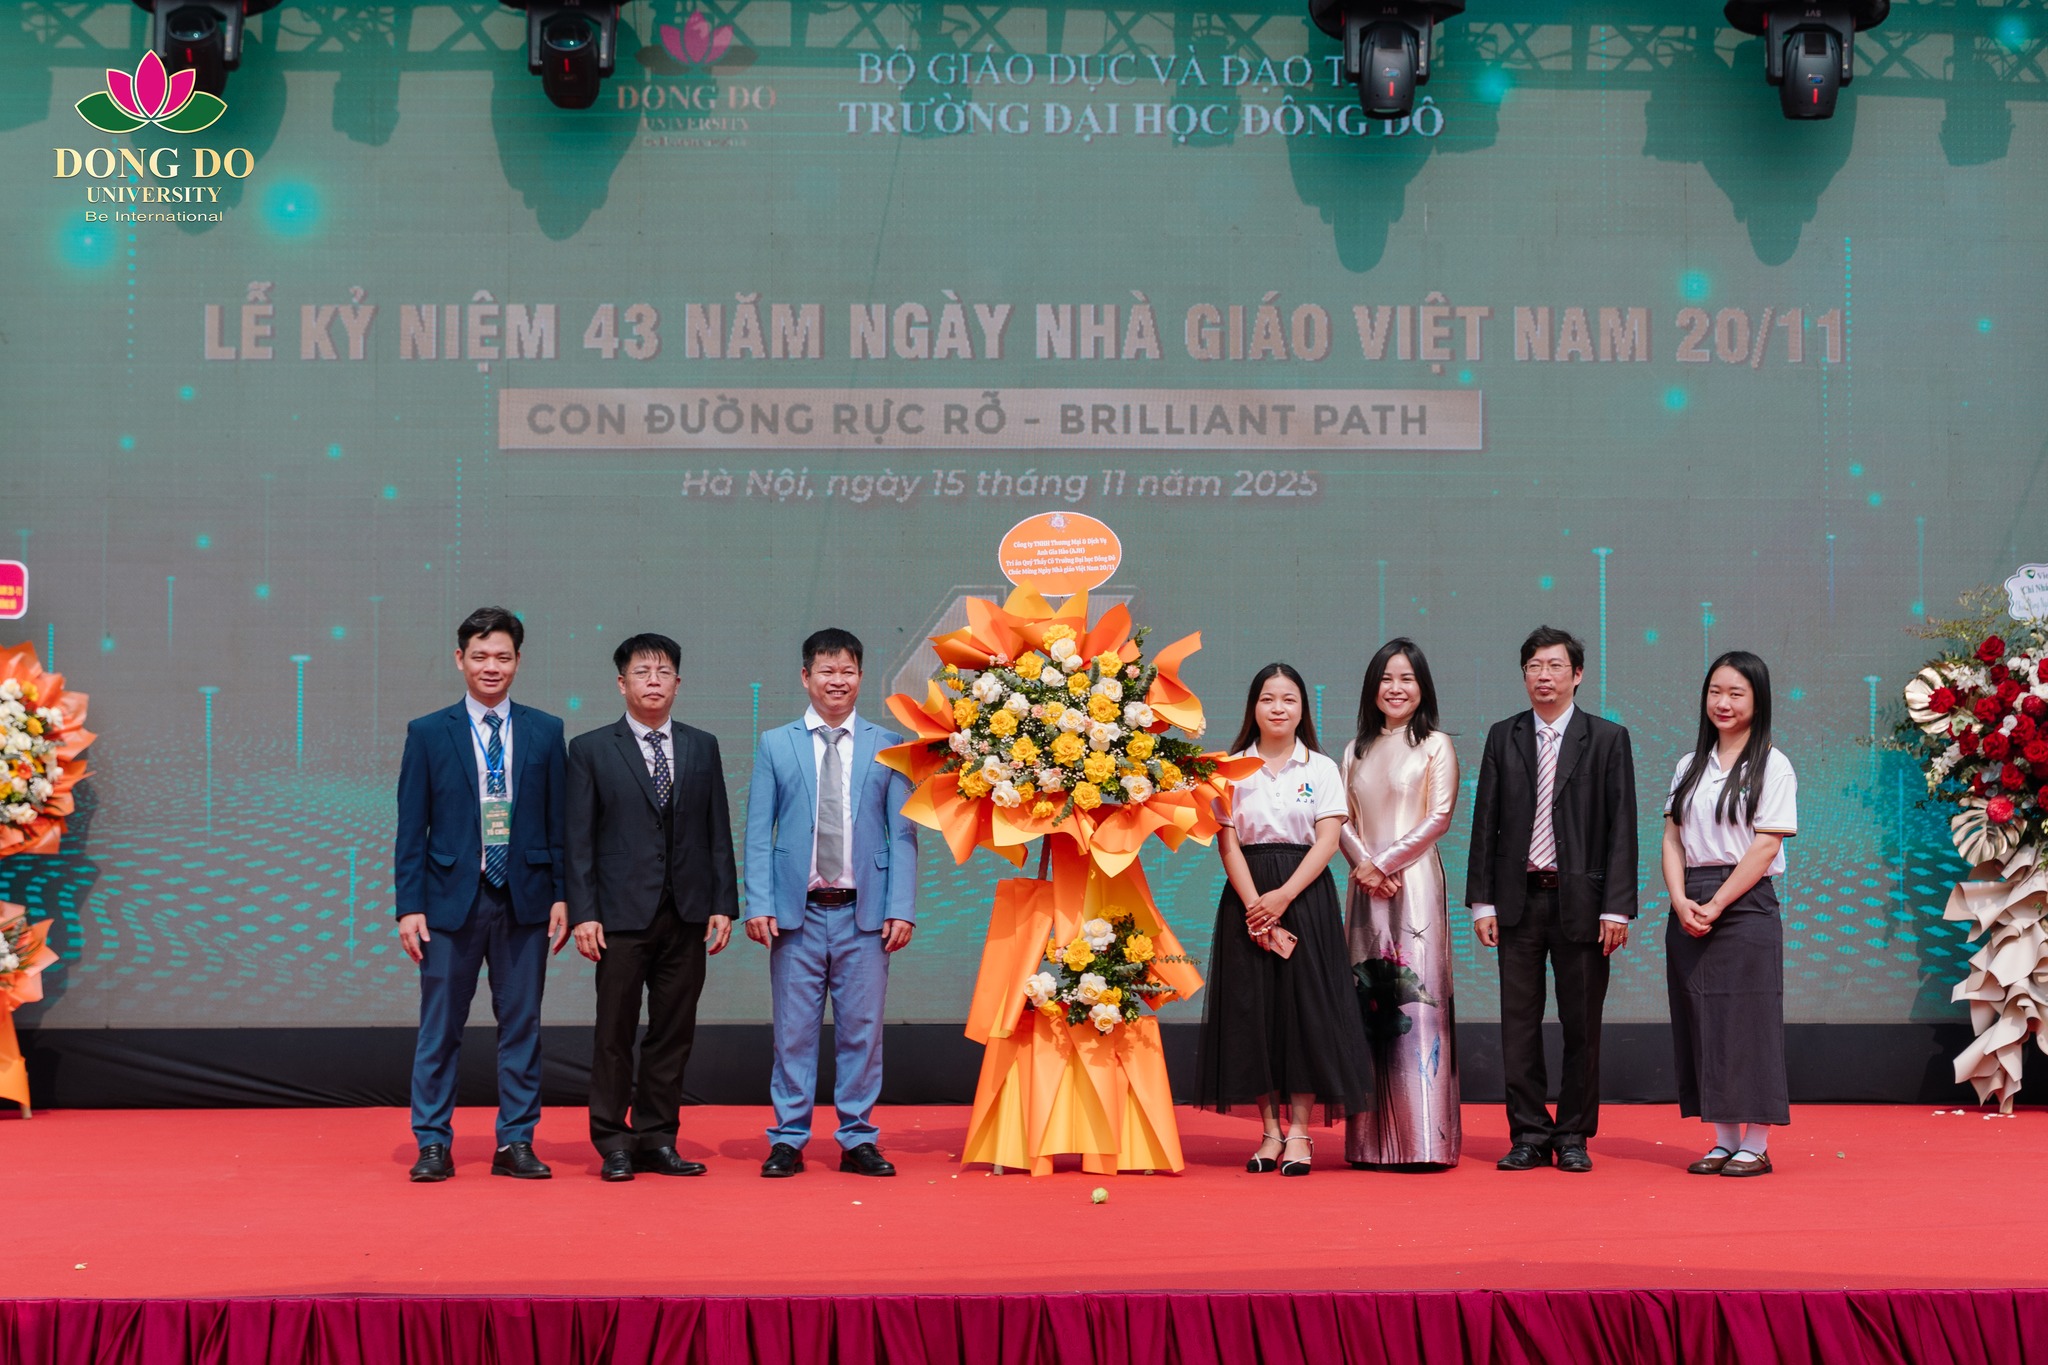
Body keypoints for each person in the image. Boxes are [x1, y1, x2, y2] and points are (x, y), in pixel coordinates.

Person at [393, 606, 569, 1182]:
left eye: (503, 656)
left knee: (522, 1027)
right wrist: (409, 906)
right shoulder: (427, 732)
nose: (491, 666)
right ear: (460, 659)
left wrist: (562, 894)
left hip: (525, 900)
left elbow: (559, 822)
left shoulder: (546, 731)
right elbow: (411, 828)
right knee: (439, 1028)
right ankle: (432, 1143)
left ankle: (515, 1141)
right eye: (480, 655)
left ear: (518, 661)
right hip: (449, 903)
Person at [743, 628, 918, 1178]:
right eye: (826, 670)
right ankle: (788, 1139)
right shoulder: (776, 743)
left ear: (860, 677)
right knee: (793, 1034)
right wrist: (758, 903)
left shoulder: (888, 745)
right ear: (806, 677)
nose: (836, 681)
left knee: (861, 1034)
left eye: (847, 671)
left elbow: (903, 834)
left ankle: (858, 1139)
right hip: (796, 916)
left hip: (864, 917)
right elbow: (758, 831)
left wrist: (901, 907)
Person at [566, 633, 738, 1182]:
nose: (654, 681)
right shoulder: (591, 748)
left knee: (673, 1032)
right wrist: (584, 912)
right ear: (622, 683)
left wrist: (723, 902)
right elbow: (578, 840)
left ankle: (658, 1138)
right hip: (619, 916)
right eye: (642, 672)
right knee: (614, 1033)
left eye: (663, 672)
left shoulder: (701, 745)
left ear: (678, 684)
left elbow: (717, 829)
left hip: (687, 913)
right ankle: (613, 1142)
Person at [1467, 625, 1637, 1174]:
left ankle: (1573, 1136)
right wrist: (1483, 903)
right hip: (1517, 904)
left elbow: (1622, 828)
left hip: (1583, 905)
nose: (1544, 676)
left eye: (1555, 666)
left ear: (1577, 674)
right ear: (1524, 676)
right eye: (1534, 667)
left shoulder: (1607, 738)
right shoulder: (1504, 736)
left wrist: (1616, 907)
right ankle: (1528, 1134)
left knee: (1582, 1026)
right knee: (1518, 1027)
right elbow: (1485, 822)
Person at [1195, 663, 1371, 1177]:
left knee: (1305, 1013)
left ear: (1302, 709)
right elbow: (1228, 844)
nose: (1278, 708)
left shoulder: (1321, 768)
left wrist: (1283, 897)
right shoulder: (1229, 769)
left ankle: (1299, 1132)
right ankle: (1270, 1132)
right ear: (1253, 707)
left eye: (1288, 699)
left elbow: (1328, 841)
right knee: (1255, 1013)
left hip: (1305, 897)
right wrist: (1256, 906)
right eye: (1268, 699)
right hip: (1246, 897)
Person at [1662, 651, 1796, 1178]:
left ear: (1757, 700)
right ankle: (1722, 1140)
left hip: (1744, 900)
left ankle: (1756, 1144)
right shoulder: (1689, 765)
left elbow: (1765, 846)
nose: (1723, 702)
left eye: (1736, 693)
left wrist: (1718, 903)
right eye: (1715, 691)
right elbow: (1672, 838)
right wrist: (1680, 900)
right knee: (1700, 1017)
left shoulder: (1773, 764)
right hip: (1691, 898)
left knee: (1750, 1021)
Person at [1340, 639, 1462, 1168]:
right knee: (1366, 1001)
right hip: (1364, 887)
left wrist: (1383, 864)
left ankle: (1425, 1142)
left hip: (1414, 886)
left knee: (1418, 1002)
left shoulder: (1436, 744)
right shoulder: (1354, 750)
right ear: (1372, 687)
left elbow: (1438, 818)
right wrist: (1365, 866)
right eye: (1387, 678)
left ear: (1422, 688)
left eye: (1407, 678)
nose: (1396, 688)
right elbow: (1338, 818)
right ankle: (1367, 1143)